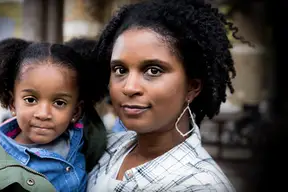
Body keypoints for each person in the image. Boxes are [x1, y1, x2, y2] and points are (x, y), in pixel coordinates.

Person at [86, 0, 250, 191]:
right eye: (120, 69)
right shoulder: (106, 149)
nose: (129, 87)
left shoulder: (199, 186)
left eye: (153, 71)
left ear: (192, 87)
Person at [0, 38, 106, 192]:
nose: (43, 114)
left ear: (76, 112)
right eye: (30, 100)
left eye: (59, 103)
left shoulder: (85, 140)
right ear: (13, 104)